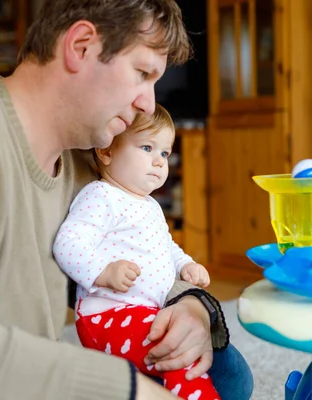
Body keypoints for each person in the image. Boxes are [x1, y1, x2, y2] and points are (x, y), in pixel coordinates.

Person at [0, 0, 253, 399]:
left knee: (228, 373)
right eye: (142, 73)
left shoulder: (85, 161)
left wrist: (194, 308)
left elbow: (147, 251)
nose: (149, 102)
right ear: (81, 47)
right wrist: (125, 389)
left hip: (33, 368)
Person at [54, 104, 221, 399]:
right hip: (107, 315)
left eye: (165, 153)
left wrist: (185, 264)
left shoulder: (150, 205)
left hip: (142, 311)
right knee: (180, 354)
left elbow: (165, 246)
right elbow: (68, 241)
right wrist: (102, 272)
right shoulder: (101, 196)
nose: (159, 162)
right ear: (106, 152)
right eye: (147, 147)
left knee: (183, 350)